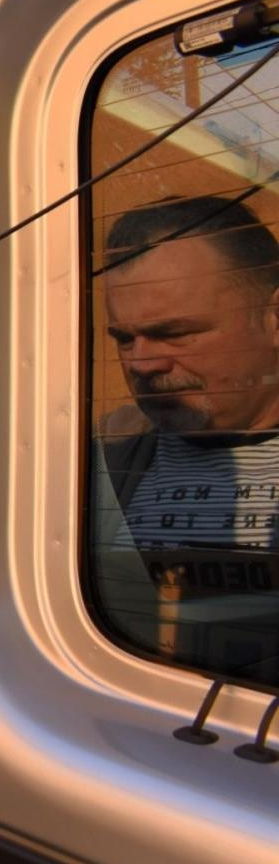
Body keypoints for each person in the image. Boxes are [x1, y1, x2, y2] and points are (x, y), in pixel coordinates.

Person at [95, 195, 279, 682]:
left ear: (273, 318)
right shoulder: (88, 464)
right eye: (124, 339)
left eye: (175, 333)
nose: (141, 365)